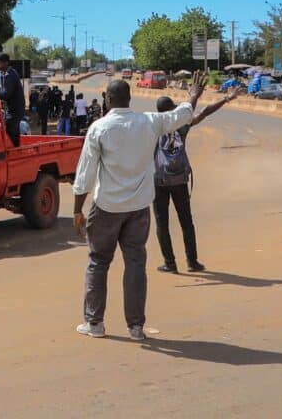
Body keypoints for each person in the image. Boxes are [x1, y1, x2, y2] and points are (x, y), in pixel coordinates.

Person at [72, 72, 206, 340]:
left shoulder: (99, 128)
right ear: (130, 98)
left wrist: (77, 209)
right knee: (135, 264)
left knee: (98, 262)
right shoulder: (149, 122)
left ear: (108, 99)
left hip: (107, 206)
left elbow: (85, 175)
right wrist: (193, 95)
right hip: (139, 208)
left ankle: (94, 323)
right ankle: (135, 327)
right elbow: (181, 116)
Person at [153, 88, 239, 273]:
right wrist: (226, 99)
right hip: (180, 180)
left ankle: (170, 263)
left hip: (159, 182)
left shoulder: (152, 128)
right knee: (186, 222)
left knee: (162, 223)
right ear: (171, 110)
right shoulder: (182, 125)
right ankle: (192, 262)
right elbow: (205, 112)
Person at [0, 52, 26, 146]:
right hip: (12, 110)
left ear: (6, 63)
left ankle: (13, 155)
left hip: (14, 111)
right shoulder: (5, 74)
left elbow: (5, 95)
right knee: (13, 135)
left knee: (10, 135)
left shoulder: (10, 75)